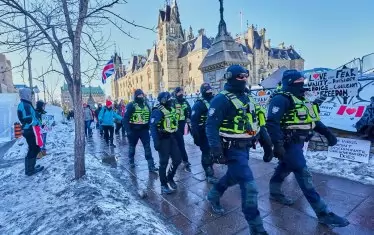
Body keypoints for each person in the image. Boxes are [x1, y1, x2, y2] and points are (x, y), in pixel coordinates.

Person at [266, 69, 350, 227]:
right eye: (298, 82)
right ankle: (323, 213)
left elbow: (314, 121)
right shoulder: (281, 98)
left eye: (302, 81)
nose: (302, 85)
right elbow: (272, 122)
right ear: (290, 83)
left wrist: (328, 134)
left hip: (298, 143)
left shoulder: (303, 100)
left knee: (284, 168)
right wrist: (277, 145)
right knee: (302, 173)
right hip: (287, 143)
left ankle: (274, 192)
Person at [205, 65, 273, 235]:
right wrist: (216, 150)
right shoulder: (220, 99)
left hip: (245, 147)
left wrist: (267, 144)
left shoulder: (247, 97)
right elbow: (210, 126)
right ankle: (257, 229)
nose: (244, 79)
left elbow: (258, 122)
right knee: (250, 187)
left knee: (234, 176)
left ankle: (213, 195)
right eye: (240, 76)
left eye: (246, 76)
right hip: (230, 149)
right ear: (231, 77)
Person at [150, 92, 182, 194]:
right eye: (169, 99)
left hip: (171, 137)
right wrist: (156, 142)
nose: (171, 100)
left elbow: (174, 121)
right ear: (163, 100)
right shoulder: (158, 111)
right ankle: (163, 184)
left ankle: (170, 177)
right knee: (163, 163)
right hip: (162, 139)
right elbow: (153, 126)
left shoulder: (170, 108)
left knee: (177, 159)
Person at [123, 89, 158, 172]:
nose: (141, 97)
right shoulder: (131, 105)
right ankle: (131, 161)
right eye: (139, 95)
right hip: (133, 130)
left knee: (147, 148)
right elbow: (125, 119)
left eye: (142, 95)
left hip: (144, 130)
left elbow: (150, 116)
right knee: (132, 147)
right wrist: (128, 131)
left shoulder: (147, 105)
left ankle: (151, 165)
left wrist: (150, 127)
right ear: (135, 96)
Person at [190, 83, 218, 184]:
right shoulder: (198, 104)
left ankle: (211, 167)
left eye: (210, 90)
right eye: (207, 91)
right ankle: (209, 174)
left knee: (213, 151)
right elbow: (194, 122)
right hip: (203, 133)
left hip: (215, 132)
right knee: (206, 153)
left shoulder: (215, 100)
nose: (209, 92)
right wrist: (196, 137)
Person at [17, 88, 44, 176]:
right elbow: (27, 118)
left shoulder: (26, 104)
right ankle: (30, 170)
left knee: (33, 148)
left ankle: (31, 168)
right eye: (30, 94)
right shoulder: (25, 105)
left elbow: (31, 116)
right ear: (26, 95)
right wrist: (36, 123)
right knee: (34, 148)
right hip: (30, 129)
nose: (31, 96)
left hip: (30, 129)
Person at [173, 87, 192, 172]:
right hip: (174, 125)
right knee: (178, 142)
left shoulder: (185, 101)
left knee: (180, 142)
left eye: (182, 91)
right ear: (175, 93)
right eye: (179, 92)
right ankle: (182, 159)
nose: (181, 93)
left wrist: (188, 118)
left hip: (181, 123)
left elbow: (189, 110)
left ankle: (184, 159)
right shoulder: (173, 102)